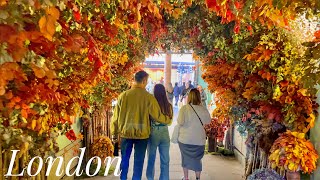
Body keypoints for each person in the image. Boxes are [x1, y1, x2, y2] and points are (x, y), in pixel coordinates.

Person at [111, 70, 172, 180]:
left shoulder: (123, 96)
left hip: (126, 133)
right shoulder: (148, 97)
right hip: (142, 135)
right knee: (138, 163)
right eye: (147, 81)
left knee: (124, 160)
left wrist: (114, 133)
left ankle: (123, 178)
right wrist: (168, 120)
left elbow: (115, 117)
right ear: (144, 80)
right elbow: (157, 115)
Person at [177, 88, 211, 180]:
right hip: (199, 141)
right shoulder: (204, 110)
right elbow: (208, 122)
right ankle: (198, 178)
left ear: (189, 97)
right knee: (197, 159)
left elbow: (180, 122)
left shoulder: (184, 109)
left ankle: (186, 178)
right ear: (199, 97)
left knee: (185, 158)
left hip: (185, 140)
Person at [146, 84, 173, 180]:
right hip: (165, 132)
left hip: (153, 131)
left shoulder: (152, 105)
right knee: (165, 159)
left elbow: (148, 119)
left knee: (151, 159)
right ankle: (164, 178)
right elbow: (170, 122)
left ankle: (150, 178)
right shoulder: (168, 105)